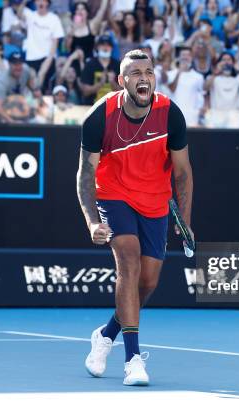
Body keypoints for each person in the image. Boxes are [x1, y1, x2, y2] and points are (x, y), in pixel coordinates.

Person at [78, 49, 192, 386]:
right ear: (122, 80)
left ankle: (107, 333)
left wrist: (183, 220)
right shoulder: (100, 116)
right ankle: (133, 360)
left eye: (149, 71)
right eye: (135, 72)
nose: (144, 77)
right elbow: (86, 174)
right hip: (114, 195)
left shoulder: (171, 114)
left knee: (148, 283)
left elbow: (183, 172)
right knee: (128, 263)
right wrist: (92, 222)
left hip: (156, 200)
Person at [18, 0, 64, 92]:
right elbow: (19, 15)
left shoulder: (54, 18)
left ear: (48, 3)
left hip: (48, 57)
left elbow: (55, 41)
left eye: (43, 1)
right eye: (38, 1)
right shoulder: (31, 15)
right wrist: (24, 2)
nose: (40, 3)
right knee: (31, 87)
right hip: (31, 57)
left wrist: (49, 59)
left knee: (46, 87)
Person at [0, 51, 36, 122]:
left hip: (20, 104)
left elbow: (30, 81)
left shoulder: (25, 70)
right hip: (5, 108)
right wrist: (11, 121)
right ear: (9, 64)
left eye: (20, 63)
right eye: (15, 64)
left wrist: (34, 90)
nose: (18, 67)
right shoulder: (2, 80)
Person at [167, 46, 204, 126]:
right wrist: (180, 71)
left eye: (188, 55)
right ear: (178, 57)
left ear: (191, 58)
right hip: (174, 116)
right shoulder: (170, 74)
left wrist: (198, 111)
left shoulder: (198, 77)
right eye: (183, 55)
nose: (185, 57)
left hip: (191, 117)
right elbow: (171, 90)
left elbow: (201, 96)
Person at [80, 35, 121, 104]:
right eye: (102, 45)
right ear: (97, 47)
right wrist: (100, 83)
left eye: (108, 45)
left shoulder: (118, 65)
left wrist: (112, 83)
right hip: (92, 107)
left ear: (112, 48)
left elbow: (125, 93)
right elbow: (85, 92)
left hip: (113, 107)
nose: (105, 48)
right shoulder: (90, 64)